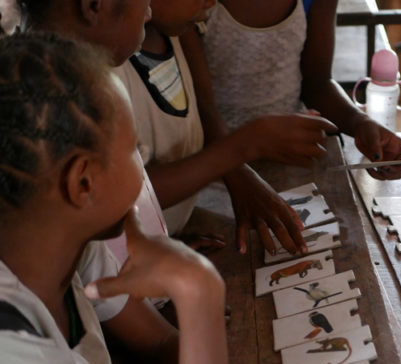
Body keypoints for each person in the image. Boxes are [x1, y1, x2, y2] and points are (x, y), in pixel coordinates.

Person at [0, 33, 277, 364]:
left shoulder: (74, 254)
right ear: (82, 182)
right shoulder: (9, 346)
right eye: (133, 150)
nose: (143, 159)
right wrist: (198, 290)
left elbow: (161, 346)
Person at [18, 0, 307, 256]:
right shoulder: (69, 92)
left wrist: (159, 240)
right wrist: (243, 146)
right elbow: (116, 197)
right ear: (94, 6)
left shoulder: (167, 37)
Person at [113, 0, 309, 255]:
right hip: (119, 272)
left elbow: (203, 109)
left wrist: (167, 239)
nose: (211, 3)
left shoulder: (175, 36)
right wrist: (241, 148)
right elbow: (119, 195)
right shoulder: (109, 72)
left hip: (160, 244)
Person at [179, 0, 401, 182]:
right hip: (212, 162)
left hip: (292, 151)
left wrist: (360, 123)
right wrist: (238, 175)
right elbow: (204, 107)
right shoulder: (197, 6)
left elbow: (317, 83)